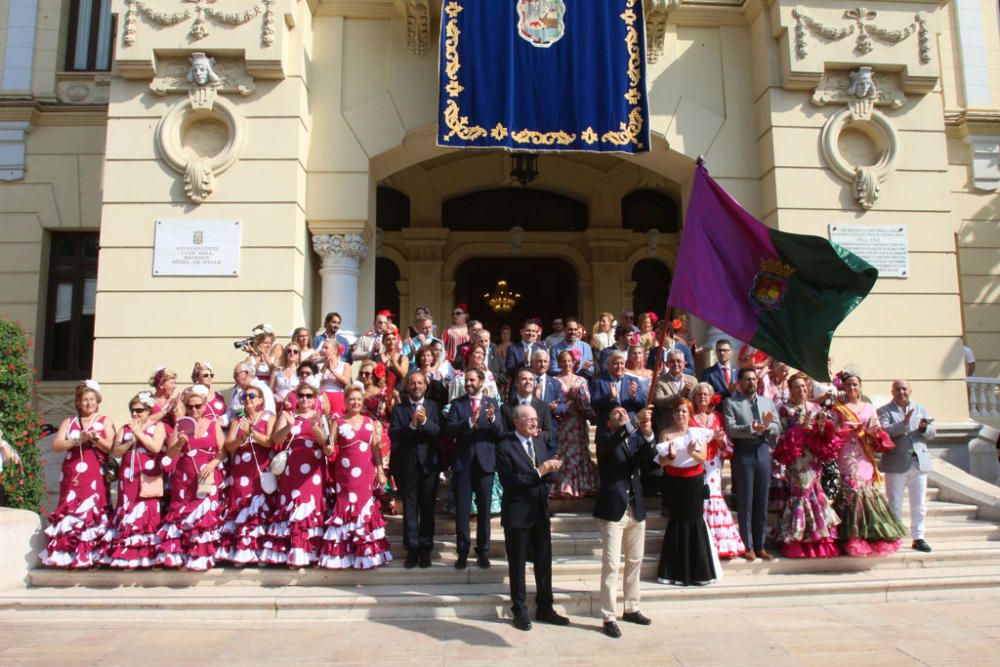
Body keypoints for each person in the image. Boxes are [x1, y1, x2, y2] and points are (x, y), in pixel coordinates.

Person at [495, 404, 569, 631]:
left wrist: (551, 469)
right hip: (517, 515)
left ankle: (545, 607)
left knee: (544, 562)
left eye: (536, 419)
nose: (534, 423)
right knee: (517, 565)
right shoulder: (505, 446)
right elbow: (511, 481)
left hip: (539, 511)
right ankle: (519, 610)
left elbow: (546, 477)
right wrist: (540, 471)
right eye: (529, 419)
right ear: (516, 421)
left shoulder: (539, 443)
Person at [593, 406, 655, 638]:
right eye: (616, 414)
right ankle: (608, 615)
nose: (622, 415)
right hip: (613, 510)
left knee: (635, 561)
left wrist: (647, 432)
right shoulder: (605, 440)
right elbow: (611, 447)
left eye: (624, 413)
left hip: (635, 507)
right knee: (611, 564)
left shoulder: (634, 439)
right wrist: (632, 424)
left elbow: (647, 456)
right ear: (609, 422)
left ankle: (632, 607)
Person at [40, 380, 115, 568]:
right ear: (78, 403)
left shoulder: (105, 420)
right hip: (73, 473)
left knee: (93, 510)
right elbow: (56, 445)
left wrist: (96, 439)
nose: (88, 403)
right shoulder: (69, 422)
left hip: (94, 473)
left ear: (97, 401)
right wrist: (77, 440)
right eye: (84, 400)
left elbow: (111, 447)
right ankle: (68, 554)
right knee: (71, 509)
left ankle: (94, 555)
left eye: (91, 399)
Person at [830, 371, 906, 557]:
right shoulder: (838, 408)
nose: (852, 388)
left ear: (860, 387)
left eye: (855, 385)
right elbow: (832, 432)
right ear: (844, 387)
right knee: (852, 491)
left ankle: (871, 535)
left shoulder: (868, 407)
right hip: (847, 454)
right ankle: (850, 535)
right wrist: (845, 430)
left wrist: (872, 432)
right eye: (849, 385)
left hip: (864, 454)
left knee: (866, 491)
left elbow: (876, 428)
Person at [320, 385, 393, 569]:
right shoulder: (338, 421)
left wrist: (380, 470)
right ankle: (344, 555)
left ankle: (367, 555)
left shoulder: (370, 421)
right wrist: (326, 448)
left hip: (366, 473)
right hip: (345, 475)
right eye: (352, 399)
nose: (356, 402)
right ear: (345, 401)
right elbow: (330, 446)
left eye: (359, 399)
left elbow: (375, 447)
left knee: (365, 509)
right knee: (345, 508)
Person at [156, 385, 225, 571]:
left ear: (204, 406)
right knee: (183, 514)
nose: (194, 409)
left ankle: (201, 557)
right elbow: (170, 454)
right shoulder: (180, 425)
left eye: (198, 406)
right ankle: (181, 556)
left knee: (204, 516)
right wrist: (179, 443)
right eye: (190, 406)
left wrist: (212, 465)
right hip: (184, 477)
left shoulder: (213, 425)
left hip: (207, 476)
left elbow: (222, 451)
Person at [261, 376, 329, 566]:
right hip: (292, 469)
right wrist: (289, 426)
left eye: (309, 396)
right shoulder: (287, 414)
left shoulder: (319, 416)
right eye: (301, 395)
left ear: (315, 398)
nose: (305, 399)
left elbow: (326, 443)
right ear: (296, 397)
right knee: (292, 507)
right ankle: (293, 554)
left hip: (313, 470)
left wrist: (316, 430)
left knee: (310, 508)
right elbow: (276, 440)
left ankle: (311, 554)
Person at [772, 374, 842, 558]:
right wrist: (800, 428)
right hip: (796, 458)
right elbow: (782, 436)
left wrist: (821, 427)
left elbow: (824, 434)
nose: (801, 390)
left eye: (803, 387)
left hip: (812, 457)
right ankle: (795, 535)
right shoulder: (784, 410)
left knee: (814, 493)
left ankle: (817, 538)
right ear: (790, 389)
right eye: (797, 387)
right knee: (801, 492)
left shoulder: (815, 407)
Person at [654, 399, 718, 586]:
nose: (680, 414)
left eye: (684, 411)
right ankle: (674, 571)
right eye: (678, 411)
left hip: (694, 482)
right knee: (676, 522)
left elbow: (703, 458)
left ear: (690, 415)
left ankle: (699, 572)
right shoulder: (665, 434)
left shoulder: (697, 433)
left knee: (694, 521)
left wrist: (691, 453)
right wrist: (671, 456)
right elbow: (662, 462)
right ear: (673, 414)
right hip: (674, 482)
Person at [446, 368, 503, 569]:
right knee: (462, 511)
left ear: (481, 381)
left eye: (472, 380)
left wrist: (491, 420)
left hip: (485, 463)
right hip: (463, 464)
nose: (468, 383)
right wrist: (470, 421)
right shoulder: (457, 404)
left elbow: (500, 432)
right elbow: (450, 429)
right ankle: (462, 551)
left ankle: (483, 551)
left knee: (485, 511)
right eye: (466, 381)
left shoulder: (493, 404)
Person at [102, 391, 166, 569]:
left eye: (139, 410)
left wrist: (140, 434)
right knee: (128, 508)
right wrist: (131, 441)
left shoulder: (157, 426)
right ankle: (126, 554)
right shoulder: (124, 428)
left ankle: (150, 555)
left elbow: (155, 447)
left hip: (147, 472)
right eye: (132, 410)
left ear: (148, 411)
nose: (135, 414)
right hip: (129, 474)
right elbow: (115, 451)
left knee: (148, 508)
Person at [723, 367, 781, 561]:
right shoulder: (732, 403)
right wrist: (750, 428)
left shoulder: (767, 402)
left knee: (761, 500)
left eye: (754, 379)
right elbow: (731, 429)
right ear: (739, 383)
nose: (751, 383)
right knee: (746, 500)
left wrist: (766, 428)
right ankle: (747, 545)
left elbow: (777, 426)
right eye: (747, 380)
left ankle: (760, 544)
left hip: (763, 450)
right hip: (744, 452)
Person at [217, 382, 275, 565]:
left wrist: (253, 433)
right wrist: (243, 436)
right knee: (241, 506)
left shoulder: (268, 418)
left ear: (260, 400)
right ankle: (242, 551)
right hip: (241, 468)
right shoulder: (237, 420)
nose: (247, 399)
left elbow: (270, 442)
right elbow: (229, 445)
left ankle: (259, 551)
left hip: (259, 468)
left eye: (251, 396)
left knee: (259, 506)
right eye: (244, 397)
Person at [389, 372, 442, 568]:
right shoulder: (399, 409)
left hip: (429, 465)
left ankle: (426, 549)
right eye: (412, 383)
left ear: (425, 386)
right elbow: (393, 433)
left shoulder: (434, 407)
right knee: (410, 510)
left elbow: (440, 432)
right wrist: (411, 424)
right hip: (408, 466)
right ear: (407, 386)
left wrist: (425, 422)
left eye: (420, 382)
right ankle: (411, 548)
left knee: (427, 510)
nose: (416, 386)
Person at [877, 379, 935, 553]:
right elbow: (885, 431)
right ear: (892, 392)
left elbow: (932, 433)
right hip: (896, 462)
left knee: (919, 503)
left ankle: (918, 537)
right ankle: (895, 536)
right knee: (895, 502)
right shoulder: (884, 411)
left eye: (904, 389)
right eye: (897, 389)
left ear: (910, 391)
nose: (901, 392)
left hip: (918, 461)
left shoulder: (921, 408)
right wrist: (904, 424)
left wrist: (925, 428)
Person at [690, 383, 745, 560]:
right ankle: (700, 542)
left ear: (711, 397)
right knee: (698, 497)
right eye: (699, 395)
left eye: (705, 395)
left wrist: (721, 440)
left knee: (713, 496)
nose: (702, 398)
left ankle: (720, 542)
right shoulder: (690, 417)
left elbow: (725, 445)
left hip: (713, 462)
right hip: (695, 462)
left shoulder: (718, 417)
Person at [551, 350, 597, 498]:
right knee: (564, 453)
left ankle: (581, 486)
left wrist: (578, 400)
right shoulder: (554, 380)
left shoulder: (581, 380)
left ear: (574, 362)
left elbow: (587, 403)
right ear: (559, 363)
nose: (566, 364)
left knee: (579, 454)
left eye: (569, 361)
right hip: (562, 423)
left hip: (578, 422)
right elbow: (553, 403)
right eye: (563, 361)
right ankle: (564, 487)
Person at [591, 351, 647, 442]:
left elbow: (644, 402)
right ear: (608, 365)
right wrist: (610, 397)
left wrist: (633, 396)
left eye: (622, 363)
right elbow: (594, 404)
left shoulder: (633, 381)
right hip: (608, 432)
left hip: (631, 430)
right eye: (616, 363)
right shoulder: (599, 382)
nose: (619, 366)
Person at [503, 368, 554, 443]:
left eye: (530, 379)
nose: (528, 382)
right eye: (524, 379)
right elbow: (503, 433)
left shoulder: (543, 406)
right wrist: (521, 434)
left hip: (536, 451)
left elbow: (549, 434)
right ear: (516, 383)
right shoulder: (506, 408)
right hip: (515, 450)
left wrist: (537, 435)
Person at [652, 349, 697, 434]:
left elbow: (696, 403)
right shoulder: (659, 381)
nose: (676, 364)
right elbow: (659, 401)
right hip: (668, 428)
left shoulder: (693, 381)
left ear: (684, 364)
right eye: (672, 361)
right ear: (667, 364)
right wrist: (680, 394)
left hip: (688, 428)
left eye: (679, 361)